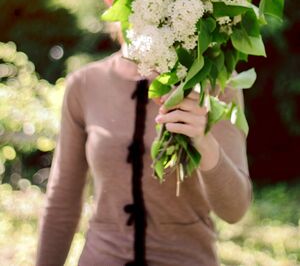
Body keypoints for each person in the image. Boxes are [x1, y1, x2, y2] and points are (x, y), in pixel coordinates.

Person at [35, 37, 252, 266]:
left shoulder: (216, 82)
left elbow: (234, 210)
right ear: (110, 0)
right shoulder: (85, 83)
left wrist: (203, 140)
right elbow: (62, 202)